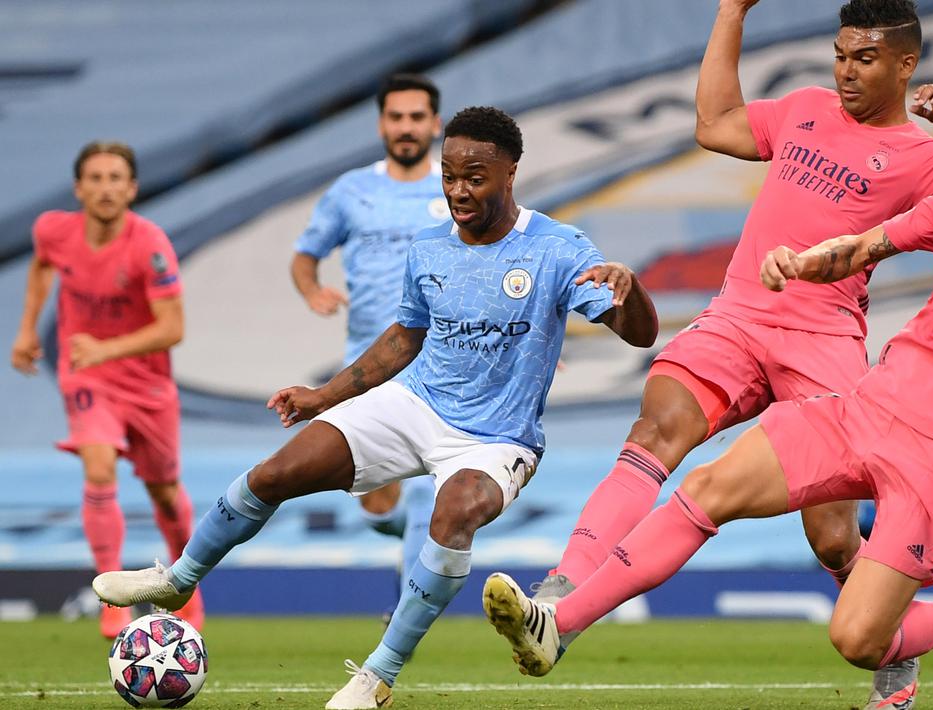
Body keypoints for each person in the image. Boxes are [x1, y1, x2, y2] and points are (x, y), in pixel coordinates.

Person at [483, 80, 933, 692]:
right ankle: (561, 624)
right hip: (864, 408)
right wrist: (802, 264)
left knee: (859, 639)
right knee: (708, 488)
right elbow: (866, 245)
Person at [93, 106, 659, 710]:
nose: (458, 190)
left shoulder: (559, 248)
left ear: (510, 173)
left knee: (455, 512)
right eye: (448, 174)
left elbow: (640, 333)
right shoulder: (430, 247)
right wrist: (323, 397)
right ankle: (179, 580)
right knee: (274, 474)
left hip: (498, 437)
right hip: (414, 404)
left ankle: (377, 676)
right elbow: (403, 338)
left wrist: (632, 290)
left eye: (475, 177)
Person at [528, 1, 933, 706]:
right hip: (737, 316)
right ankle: (560, 593)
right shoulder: (803, 108)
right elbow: (715, 125)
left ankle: (903, 646)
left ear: (905, 65)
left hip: (824, 341)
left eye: (862, 59)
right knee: (655, 430)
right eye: (838, 55)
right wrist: (730, 13)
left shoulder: (926, 157)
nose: (843, 72)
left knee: (833, 540)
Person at [10, 142, 204, 638]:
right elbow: (41, 265)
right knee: (98, 465)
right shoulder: (53, 230)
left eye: (116, 178)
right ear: (78, 188)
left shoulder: (151, 246)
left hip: (147, 385)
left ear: (132, 188)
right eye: (95, 178)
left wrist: (107, 348)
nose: (105, 187)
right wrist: (29, 329)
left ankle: (186, 584)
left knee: (163, 493)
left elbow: (173, 328)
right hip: (87, 376)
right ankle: (111, 598)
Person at [291, 72, 446, 599]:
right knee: (377, 501)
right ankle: (413, 538)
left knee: (429, 488)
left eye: (416, 117)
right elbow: (304, 256)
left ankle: (406, 611)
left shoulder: (457, 188)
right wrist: (311, 289)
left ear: (435, 123)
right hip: (369, 363)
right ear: (382, 124)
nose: (406, 127)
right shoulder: (351, 191)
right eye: (397, 117)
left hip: (441, 359)